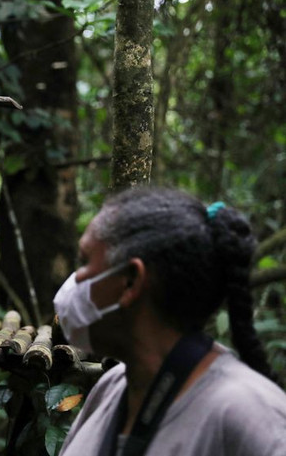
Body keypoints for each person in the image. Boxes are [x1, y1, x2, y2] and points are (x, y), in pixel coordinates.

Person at [54, 187, 286, 456]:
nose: (74, 280)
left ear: (131, 281)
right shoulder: (112, 387)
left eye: (84, 261)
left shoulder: (252, 416)